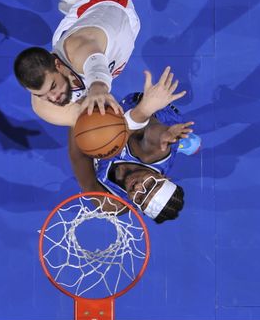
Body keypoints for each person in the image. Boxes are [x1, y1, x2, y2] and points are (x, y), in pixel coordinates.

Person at [68, 67, 200, 223]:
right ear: (162, 177)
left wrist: (78, 116)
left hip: (116, 135)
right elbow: (148, 132)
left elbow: (79, 159)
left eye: (142, 198)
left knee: (99, 135)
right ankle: (181, 142)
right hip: (155, 116)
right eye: (150, 185)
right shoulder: (155, 151)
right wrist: (161, 130)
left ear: (140, 209)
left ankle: (181, 143)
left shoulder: (111, 204)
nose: (138, 188)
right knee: (165, 138)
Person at [13, 0, 140, 126]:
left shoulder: (80, 52)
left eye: (53, 86)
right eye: (41, 94)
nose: (53, 97)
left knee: (76, 33)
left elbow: (96, 68)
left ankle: (77, 3)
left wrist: (98, 88)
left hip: (114, 8)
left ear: (58, 65)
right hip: (96, 50)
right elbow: (85, 122)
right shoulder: (42, 104)